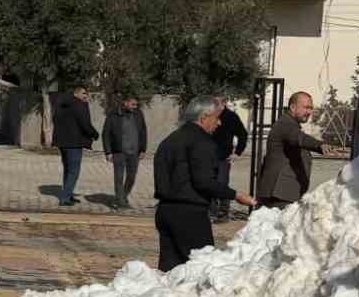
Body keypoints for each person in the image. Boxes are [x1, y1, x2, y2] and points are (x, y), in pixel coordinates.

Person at [153, 95, 256, 272]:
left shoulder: (170, 140)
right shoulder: (202, 142)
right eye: (217, 118)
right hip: (190, 215)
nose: (219, 123)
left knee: (169, 273)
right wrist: (236, 195)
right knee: (201, 271)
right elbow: (204, 182)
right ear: (203, 118)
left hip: (165, 212)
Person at [256, 90, 325, 210]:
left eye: (311, 108)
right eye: (306, 107)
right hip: (279, 194)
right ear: (293, 107)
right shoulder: (285, 124)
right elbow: (299, 138)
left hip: (283, 193)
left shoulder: (291, 124)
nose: (309, 112)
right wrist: (320, 146)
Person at [51, 84, 98, 206]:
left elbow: (54, 120)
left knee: (68, 170)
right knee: (74, 171)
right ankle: (65, 198)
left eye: (86, 94)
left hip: (62, 142)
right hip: (74, 143)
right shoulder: (79, 105)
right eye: (84, 93)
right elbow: (85, 123)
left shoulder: (61, 104)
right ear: (76, 94)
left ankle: (69, 194)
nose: (86, 96)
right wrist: (95, 134)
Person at [102, 95, 148, 211]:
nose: (135, 107)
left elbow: (143, 131)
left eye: (136, 105)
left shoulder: (138, 114)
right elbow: (106, 134)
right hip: (119, 152)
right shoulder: (113, 115)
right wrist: (108, 152)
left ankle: (122, 196)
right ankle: (121, 203)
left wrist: (143, 149)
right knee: (118, 178)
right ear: (125, 103)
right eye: (133, 104)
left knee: (131, 178)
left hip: (134, 152)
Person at [210, 97, 250, 221]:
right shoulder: (208, 114)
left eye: (217, 103)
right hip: (207, 156)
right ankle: (211, 211)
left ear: (223, 103)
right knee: (208, 182)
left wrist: (237, 153)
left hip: (223, 157)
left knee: (222, 184)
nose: (214, 105)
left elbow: (243, 134)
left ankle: (223, 212)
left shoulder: (231, 117)